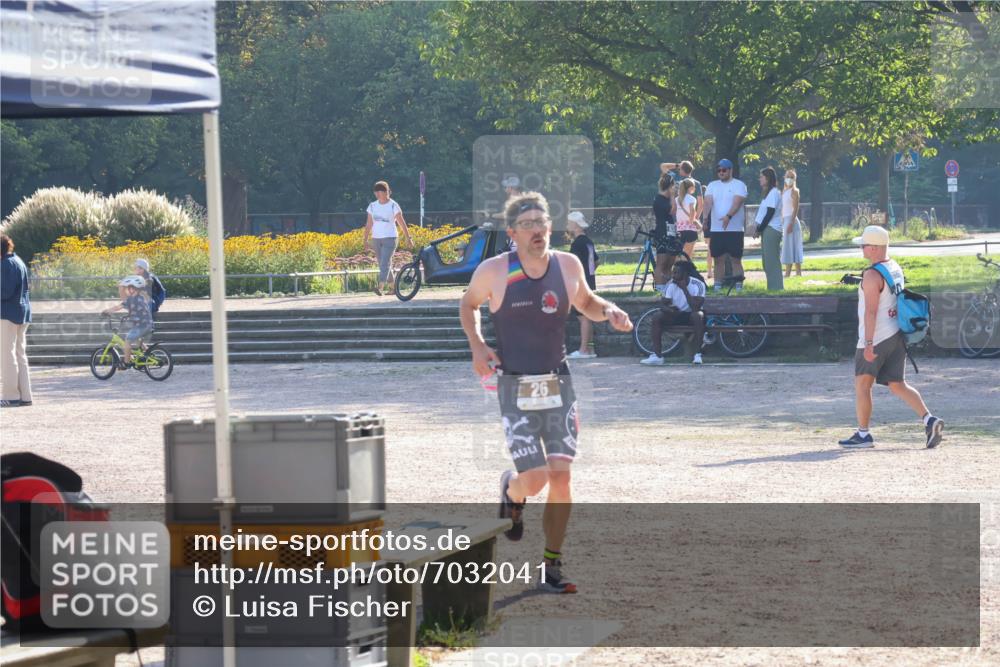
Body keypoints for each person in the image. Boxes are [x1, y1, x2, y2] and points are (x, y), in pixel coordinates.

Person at [459, 192, 632, 594]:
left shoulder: (568, 265)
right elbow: (468, 306)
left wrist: (609, 311)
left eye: (544, 222)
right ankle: (511, 490)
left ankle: (552, 565)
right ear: (513, 233)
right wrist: (478, 345)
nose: (539, 230)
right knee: (534, 479)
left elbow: (586, 301)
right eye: (529, 224)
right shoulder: (495, 271)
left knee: (561, 476)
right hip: (515, 385)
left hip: (559, 384)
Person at [839, 225, 943, 449]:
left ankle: (863, 435)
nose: (861, 248)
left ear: (875, 248)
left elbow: (871, 311)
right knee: (898, 385)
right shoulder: (893, 266)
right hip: (897, 334)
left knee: (862, 385)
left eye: (864, 245)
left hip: (876, 337)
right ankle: (929, 420)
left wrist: (867, 343)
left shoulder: (871, 274)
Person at [639, 259, 707, 366]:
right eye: (672, 272)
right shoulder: (671, 284)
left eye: (676, 273)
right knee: (657, 317)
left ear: (685, 274)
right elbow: (662, 304)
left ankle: (697, 355)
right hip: (676, 314)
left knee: (698, 316)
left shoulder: (698, 284)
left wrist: (684, 289)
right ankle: (657, 356)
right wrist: (669, 310)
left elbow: (695, 307)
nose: (673, 275)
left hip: (691, 315)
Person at [703, 159, 748, 292]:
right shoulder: (712, 185)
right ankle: (717, 286)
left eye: (724, 170)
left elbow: (738, 202)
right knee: (717, 259)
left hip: (735, 230)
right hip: (716, 230)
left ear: (730, 170)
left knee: (736, 259)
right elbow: (707, 202)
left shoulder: (739, 185)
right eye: (719, 170)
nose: (721, 172)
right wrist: (705, 218)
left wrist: (728, 216)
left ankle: (739, 287)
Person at [363, 181, 413, 296]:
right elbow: (369, 224)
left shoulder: (393, 205)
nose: (379, 194)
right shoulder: (372, 206)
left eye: (381, 191)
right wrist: (365, 240)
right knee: (383, 264)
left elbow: (401, 222)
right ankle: (393, 288)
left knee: (384, 263)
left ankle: (380, 286)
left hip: (390, 238)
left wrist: (408, 237)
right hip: (376, 238)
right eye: (377, 192)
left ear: (386, 192)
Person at [1, 233, 33, 408]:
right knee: (20, 355)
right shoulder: (18, 261)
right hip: (22, 313)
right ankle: (25, 395)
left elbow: (4, 292)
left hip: (7, 315)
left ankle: (11, 395)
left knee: (7, 355)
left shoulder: (5, 265)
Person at [566, 211, 599, 360]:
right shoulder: (588, 241)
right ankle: (590, 348)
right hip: (589, 282)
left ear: (575, 225)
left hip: (580, 284)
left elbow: (573, 265)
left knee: (583, 317)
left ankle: (583, 349)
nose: (567, 226)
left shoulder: (577, 244)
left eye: (569, 223)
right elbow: (596, 261)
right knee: (587, 316)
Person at [102, 276, 153, 368]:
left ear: (132, 289)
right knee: (137, 340)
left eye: (126, 288)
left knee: (127, 340)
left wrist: (107, 311)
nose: (125, 291)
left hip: (141, 325)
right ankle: (148, 354)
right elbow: (137, 310)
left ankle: (126, 362)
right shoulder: (140, 298)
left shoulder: (131, 299)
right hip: (147, 324)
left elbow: (118, 307)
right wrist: (128, 316)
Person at [753, 167, 784, 291]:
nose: (759, 179)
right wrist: (759, 228)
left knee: (772, 261)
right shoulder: (769, 193)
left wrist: (759, 229)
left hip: (771, 229)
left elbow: (769, 213)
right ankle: (772, 287)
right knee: (767, 262)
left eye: (761, 177)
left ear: (768, 178)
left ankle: (776, 288)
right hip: (768, 229)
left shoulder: (773, 193)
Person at [651, 172, 681, 288]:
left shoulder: (667, 199)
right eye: (674, 187)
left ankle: (668, 287)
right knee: (661, 263)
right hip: (662, 232)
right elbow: (673, 211)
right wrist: (673, 196)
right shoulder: (660, 199)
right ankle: (660, 287)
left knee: (670, 263)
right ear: (669, 186)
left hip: (671, 232)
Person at [781, 169, 804, 277]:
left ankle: (794, 273)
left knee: (793, 246)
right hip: (785, 220)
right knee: (788, 246)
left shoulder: (795, 191)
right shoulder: (784, 191)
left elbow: (795, 208)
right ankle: (789, 272)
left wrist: (790, 223)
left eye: (791, 177)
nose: (789, 179)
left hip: (792, 221)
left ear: (794, 179)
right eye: (787, 176)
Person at [675, 178, 702, 261]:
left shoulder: (676, 199)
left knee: (678, 253)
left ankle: (677, 270)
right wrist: (692, 221)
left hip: (679, 228)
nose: (694, 189)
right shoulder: (692, 199)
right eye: (694, 187)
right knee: (688, 254)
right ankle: (686, 271)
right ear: (690, 188)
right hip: (690, 229)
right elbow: (692, 211)